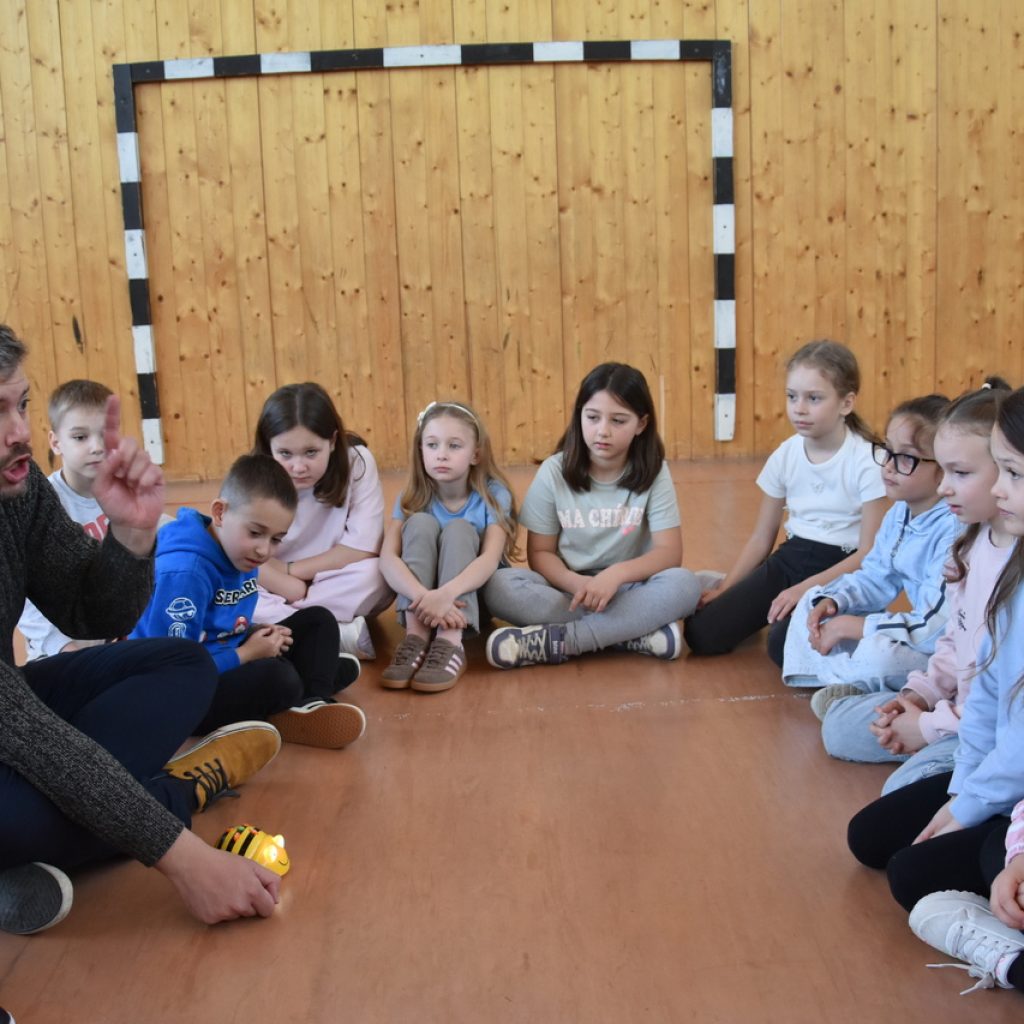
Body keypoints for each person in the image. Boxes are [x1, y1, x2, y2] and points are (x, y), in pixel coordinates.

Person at [0, 324, 281, 935]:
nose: (20, 431)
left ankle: (53, 838)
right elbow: (24, 734)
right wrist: (185, 857)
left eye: (20, 404)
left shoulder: (16, 487)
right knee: (20, 815)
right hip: (9, 716)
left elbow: (92, 614)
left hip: (11, 701)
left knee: (182, 663)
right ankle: (175, 793)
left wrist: (131, 535)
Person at [846, 385, 1024, 995]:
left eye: (1011, 474)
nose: (999, 491)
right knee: (877, 842)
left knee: (916, 874)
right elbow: (986, 691)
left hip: (1005, 776)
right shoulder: (994, 558)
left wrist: (966, 791)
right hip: (997, 770)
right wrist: (963, 788)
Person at [842, 382, 1014, 789]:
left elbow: (999, 705)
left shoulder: (1009, 567)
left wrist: (928, 725)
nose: (943, 487)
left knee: (897, 792)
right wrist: (919, 695)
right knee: (842, 728)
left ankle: (930, 754)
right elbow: (954, 640)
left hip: (989, 732)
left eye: (960, 473)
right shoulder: (968, 545)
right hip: (957, 710)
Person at [130, 453, 365, 749]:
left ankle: (311, 703)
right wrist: (247, 654)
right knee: (279, 677)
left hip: (222, 657)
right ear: (220, 513)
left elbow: (219, 623)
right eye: (255, 533)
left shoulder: (238, 550)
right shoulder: (186, 572)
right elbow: (173, 670)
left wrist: (254, 632)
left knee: (318, 620)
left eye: (276, 539)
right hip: (177, 695)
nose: (264, 550)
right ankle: (305, 685)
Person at [483, 362, 700, 669]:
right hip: (571, 591)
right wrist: (577, 584)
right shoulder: (554, 471)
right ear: (579, 415)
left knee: (685, 584)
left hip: (629, 588)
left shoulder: (655, 471)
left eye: (618, 420)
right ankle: (631, 633)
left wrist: (615, 576)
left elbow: (669, 552)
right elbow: (541, 554)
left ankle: (566, 642)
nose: (603, 431)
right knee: (499, 585)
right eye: (593, 417)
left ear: (641, 424)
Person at [683, 340, 887, 662]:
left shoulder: (868, 460)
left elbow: (868, 553)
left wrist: (804, 589)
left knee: (783, 646)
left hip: (842, 569)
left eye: (814, 398)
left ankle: (837, 617)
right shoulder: (786, 454)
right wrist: (728, 589)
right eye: (792, 397)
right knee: (702, 633)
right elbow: (761, 538)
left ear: (846, 403)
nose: (799, 408)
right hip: (791, 558)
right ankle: (759, 606)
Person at [780, 394, 956, 726]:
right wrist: (835, 601)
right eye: (887, 451)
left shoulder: (954, 530)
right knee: (811, 601)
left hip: (940, 652)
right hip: (912, 633)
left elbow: (934, 629)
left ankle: (858, 688)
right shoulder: (899, 513)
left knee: (878, 655)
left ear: (943, 469)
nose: (888, 466)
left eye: (906, 458)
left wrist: (855, 627)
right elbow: (875, 576)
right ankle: (851, 685)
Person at [379, 401, 517, 691]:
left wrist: (446, 595)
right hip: (422, 603)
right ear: (420, 449)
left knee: (459, 529)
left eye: (454, 446)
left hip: (470, 600)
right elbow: (387, 559)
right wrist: (425, 597)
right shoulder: (411, 495)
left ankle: (450, 642)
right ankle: (415, 637)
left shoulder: (493, 494)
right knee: (419, 523)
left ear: (475, 454)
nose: (441, 454)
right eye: (432, 445)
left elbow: (490, 559)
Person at [252, 383, 392, 660]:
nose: (298, 467)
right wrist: (284, 583)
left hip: (332, 576)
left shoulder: (358, 463)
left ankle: (289, 630)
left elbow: (363, 547)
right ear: (269, 448)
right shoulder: (252, 477)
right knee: (234, 587)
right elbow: (241, 555)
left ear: (332, 441)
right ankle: (334, 634)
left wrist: (291, 571)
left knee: (381, 573)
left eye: (311, 452)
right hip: (275, 585)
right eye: (285, 454)